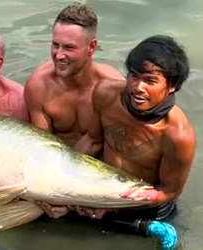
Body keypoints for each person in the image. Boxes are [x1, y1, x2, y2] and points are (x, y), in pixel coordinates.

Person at [23, 3, 124, 218]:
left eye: (69, 47)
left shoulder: (113, 86)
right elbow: (42, 151)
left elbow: (122, 151)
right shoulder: (38, 87)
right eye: (55, 45)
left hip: (98, 178)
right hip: (57, 175)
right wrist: (54, 197)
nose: (59, 55)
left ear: (92, 48)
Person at [82, 35, 195, 222]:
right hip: (101, 192)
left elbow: (168, 191)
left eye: (150, 81)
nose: (138, 87)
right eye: (134, 76)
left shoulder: (178, 135)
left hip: (146, 210)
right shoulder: (106, 94)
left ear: (172, 86)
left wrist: (112, 205)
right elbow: (92, 141)